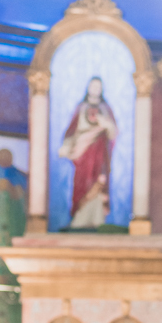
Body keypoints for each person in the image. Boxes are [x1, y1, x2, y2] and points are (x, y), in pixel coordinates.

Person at [58, 75, 117, 229]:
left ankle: (97, 218)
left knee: (99, 180)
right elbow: (71, 130)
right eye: (93, 86)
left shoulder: (106, 109)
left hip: (99, 152)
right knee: (81, 182)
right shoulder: (81, 108)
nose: (95, 89)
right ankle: (80, 217)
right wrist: (67, 146)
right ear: (88, 88)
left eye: (98, 86)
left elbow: (113, 133)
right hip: (82, 154)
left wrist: (107, 124)